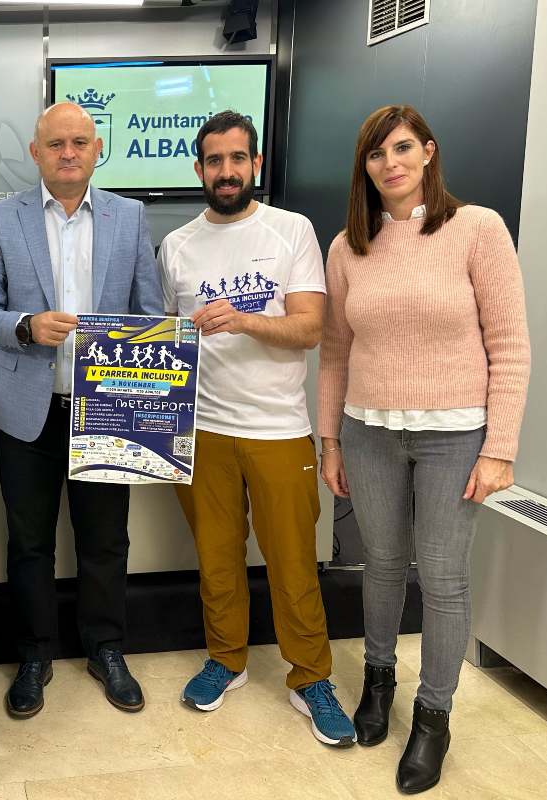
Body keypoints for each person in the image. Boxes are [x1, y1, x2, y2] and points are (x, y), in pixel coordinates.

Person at [318, 105, 530, 793]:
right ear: (366, 168)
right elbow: (334, 353)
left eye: (404, 148)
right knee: (380, 564)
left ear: (429, 153)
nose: (392, 164)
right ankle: (379, 683)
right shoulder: (348, 245)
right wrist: (330, 440)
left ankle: (433, 717)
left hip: (455, 436)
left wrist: (499, 448)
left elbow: (510, 347)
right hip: (368, 431)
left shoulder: (478, 229)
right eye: (377, 155)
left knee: (441, 578)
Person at [158, 111, 356, 748]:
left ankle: (310, 676)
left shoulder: (291, 230)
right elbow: (163, 341)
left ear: (255, 166)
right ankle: (227, 660)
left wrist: (242, 319)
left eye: (237, 159)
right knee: (216, 560)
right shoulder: (177, 246)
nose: (225, 171)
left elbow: (309, 329)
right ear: (199, 169)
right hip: (201, 430)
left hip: (277, 430)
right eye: (213, 161)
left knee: (294, 564)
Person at [0, 101, 163, 717]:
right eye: (56, 144)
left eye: (80, 142)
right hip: (30, 409)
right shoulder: (2, 219)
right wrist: (25, 326)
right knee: (29, 542)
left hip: (107, 406)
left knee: (106, 539)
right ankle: (34, 654)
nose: (69, 152)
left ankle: (106, 648)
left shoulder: (129, 218)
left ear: (97, 148)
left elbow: (150, 313)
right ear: (36, 152)